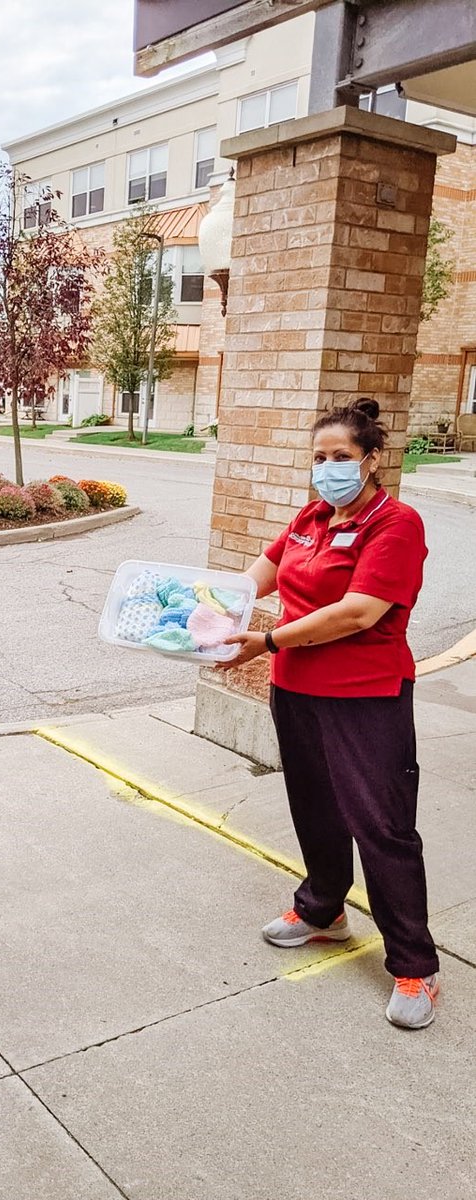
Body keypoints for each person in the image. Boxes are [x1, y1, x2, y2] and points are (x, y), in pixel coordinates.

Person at [220, 398, 439, 1030]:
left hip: (366, 697)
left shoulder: (396, 524)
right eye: (318, 458)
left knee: (382, 826)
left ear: (372, 460)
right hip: (297, 690)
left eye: (340, 457)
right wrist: (198, 603)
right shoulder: (311, 517)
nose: (327, 469)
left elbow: (358, 611)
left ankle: (416, 965)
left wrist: (265, 641)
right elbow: (255, 578)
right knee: (314, 806)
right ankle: (323, 910)